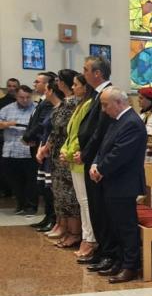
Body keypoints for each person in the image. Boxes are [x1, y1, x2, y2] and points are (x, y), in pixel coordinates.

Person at [90, 87, 147, 283]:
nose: (103, 109)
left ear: (119, 103)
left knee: (126, 227)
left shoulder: (132, 123)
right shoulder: (117, 120)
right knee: (115, 225)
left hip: (124, 182)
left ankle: (131, 266)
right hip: (113, 180)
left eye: (105, 105)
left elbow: (120, 153)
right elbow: (104, 147)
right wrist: (96, 164)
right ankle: (120, 260)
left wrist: (101, 169)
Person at [76, 56, 116, 271]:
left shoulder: (107, 94)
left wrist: (85, 154)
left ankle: (108, 252)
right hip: (91, 159)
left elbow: (100, 132)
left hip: (97, 161)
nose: (83, 74)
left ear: (97, 73)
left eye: (86, 70)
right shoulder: (96, 94)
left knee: (101, 209)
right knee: (94, 208)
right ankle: (102, 250)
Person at [40, 70, 82, 248]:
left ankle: (74, 233)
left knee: (68, 196)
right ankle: (64, 228)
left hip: (67, 154)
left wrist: (47, 146)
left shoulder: (73, 103)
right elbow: (54, 131)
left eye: (58, 80)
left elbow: (61, 129)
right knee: (59, 194)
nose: (56, 83)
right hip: (58, 153)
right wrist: (46, 147)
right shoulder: (65, 102)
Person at [61, 74, 97, 259]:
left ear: (85, 86)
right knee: (81, 202)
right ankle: (86, 236)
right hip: (73, 158)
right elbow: (70, 134)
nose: (73, 87)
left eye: (76, 85)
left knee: (85, 202)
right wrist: (64, 150)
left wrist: (69, 153)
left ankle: (90, 239)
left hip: (80, 159)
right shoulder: (80, 104)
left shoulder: (89, 104)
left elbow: (83, 135)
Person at [24, 72, 56, 230]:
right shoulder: (42, 101)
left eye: (38, 81)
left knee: (48, 186)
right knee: (43, 185)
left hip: (44, 147)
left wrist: (28, 136)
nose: (34, 84)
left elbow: (43, 124)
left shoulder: (49, 103)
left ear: (47, 85)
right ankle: (48, 216)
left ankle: (52, 218)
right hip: (38, 145)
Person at [0, 86, 37, 215]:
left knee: (31, 181)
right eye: (22, 97)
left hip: (29, 152)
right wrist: (7, 124)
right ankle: (20, 204)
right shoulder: (7, 109)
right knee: (14, 181)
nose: (25, 100)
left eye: (28, 97)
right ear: (16, 96)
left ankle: (31, 206)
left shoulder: (36, 108)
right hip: (10, 151)